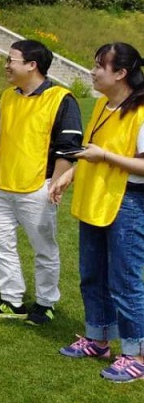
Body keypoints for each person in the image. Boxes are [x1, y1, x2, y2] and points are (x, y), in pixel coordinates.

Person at [50, 43, 144, 382]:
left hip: (127, 202)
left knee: (125, 280)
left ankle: (137, 354)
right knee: (92, 273)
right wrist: (70, 175)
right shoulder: (104, 104)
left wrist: (104, 157)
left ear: (120, 73)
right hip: (95, 197)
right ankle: (97, 339)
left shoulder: (141, 111)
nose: (92, 72)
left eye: (99, 66)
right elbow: (93, 149)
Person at [0, 39, 83, 324]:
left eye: (11, 60)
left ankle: (45, 303)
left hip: (38, 188)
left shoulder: (61, 99)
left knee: (44, 249)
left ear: (32, 65)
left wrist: (55, 185)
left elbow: (68, 148)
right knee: (0, 245)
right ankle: (12, 300)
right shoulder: (7, 97)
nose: (6, 65)